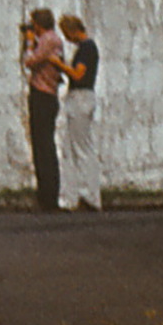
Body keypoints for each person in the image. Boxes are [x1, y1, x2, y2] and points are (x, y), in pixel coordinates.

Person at [56, 12, 101, 210]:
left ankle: (89, 194)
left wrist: (57, 64)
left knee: (82, 148)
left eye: (66, 33)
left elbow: (77, 74)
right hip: (82, 98)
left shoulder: (86, 49)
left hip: (81, 97)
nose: (66, 38)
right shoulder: (87, 48)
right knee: (74, 148)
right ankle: (77, 194)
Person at [21, 7, 63, 210]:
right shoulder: (51, 39)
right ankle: (47, 195)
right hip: (46, 94)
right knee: (43, 145)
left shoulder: (48, 40)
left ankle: (48, 196)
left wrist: (29, 42)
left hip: (43, 94)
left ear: (39, 24)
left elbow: (30, 61)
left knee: (43, 146)